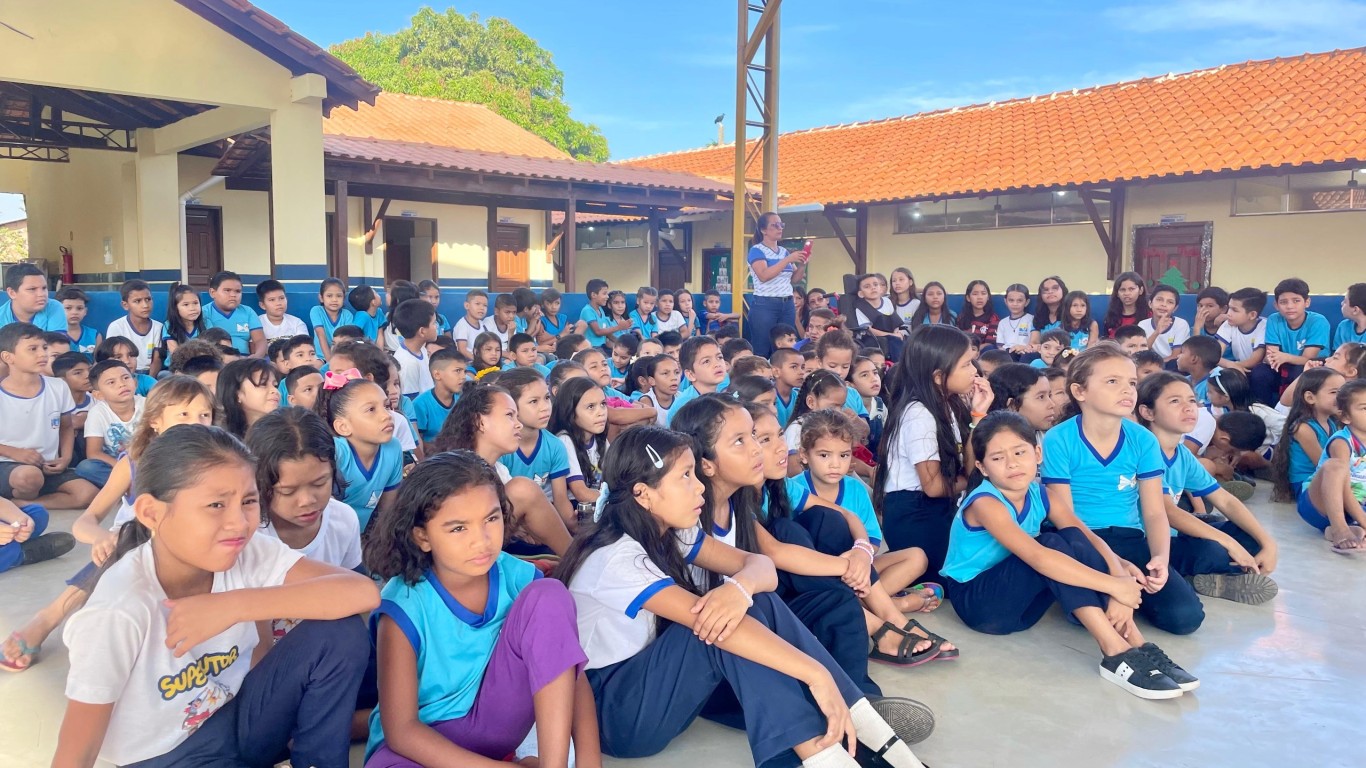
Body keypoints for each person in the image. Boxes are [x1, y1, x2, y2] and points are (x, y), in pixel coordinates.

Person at [557, 425, 933, 768]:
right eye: (685, 477)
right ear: (643, 494)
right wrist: (817, 675)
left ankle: (856, 729)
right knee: (718, 625)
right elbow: (710, 624)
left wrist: (740, 588)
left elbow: (760, 566)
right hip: (617, 712)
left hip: (657, 685)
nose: (700, 486)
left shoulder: (670, 532)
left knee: (750, 605)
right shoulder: (615, 559)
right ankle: (831, 747)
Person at [52, 423, 377, 768]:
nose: (239, 522)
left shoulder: (247, 551)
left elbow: (362, 591)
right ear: (151, 513)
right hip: (169, 756)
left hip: (239, 718)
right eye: (216, 505)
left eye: (249, 501)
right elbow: (78, 747)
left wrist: (233, 606)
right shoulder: (119, 609)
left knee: (338, 632)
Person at [361, 451, 597, 768]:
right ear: (423, 537)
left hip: (496, 724)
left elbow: (567, 670)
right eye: (458, 528)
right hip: (424, 748)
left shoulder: (520, 579)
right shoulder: (403, 603)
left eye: (491, 518)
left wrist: (588, 762)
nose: (481, 541)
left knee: (550, 594)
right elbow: (402, 732)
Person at [942, 412, 1196, 699]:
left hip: (1021, 606)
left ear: (1037, 453)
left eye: (1019, 452)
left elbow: (1085, 537)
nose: (1012, 463)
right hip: (980, 604)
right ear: (983, 467)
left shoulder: (1043, 493)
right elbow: (1038, 558)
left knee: (1071, 537)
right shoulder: (986, 502)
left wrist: (1119, 575)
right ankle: (1114, 649)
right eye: (998, 458)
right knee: (1050, 543)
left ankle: (1135, 641)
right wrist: (1113, 586)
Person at [1, 376, 214, 672]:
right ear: (155, 421)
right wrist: (101, 537)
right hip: (133, 549)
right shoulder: (134, 464)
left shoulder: (219, 463)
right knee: (133, 537)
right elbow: (85, 521)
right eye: (184, 415)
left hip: (195, 549)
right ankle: (47, 618)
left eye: (205, 415)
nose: (197, 424)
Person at [1042, 343, 1205, 636]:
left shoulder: (1143, 440)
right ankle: (1118, 593)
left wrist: (1160, 560)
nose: (1127, 390)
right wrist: (1117, 569)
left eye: (1131, 382)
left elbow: (1155, 512)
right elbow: (1065, 517)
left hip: (1130, 537)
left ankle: (1132, 592)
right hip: (1080, 540)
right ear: (1080, 392)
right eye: (1112, 382)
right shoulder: (1059, 439)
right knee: (1096, 615)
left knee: (1185, 618)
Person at [1136, 373, 1279, 603]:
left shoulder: (1181, 454)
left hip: (1173, 536)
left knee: (1251, 537)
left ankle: (1207, 576)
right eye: (1175, 401)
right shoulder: (1143, 451)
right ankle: (1195, 578)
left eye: (1192, 400)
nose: (1188, 408)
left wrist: (1268, 542)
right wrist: (1228, 543)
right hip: (1149, 543)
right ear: (1147, 412)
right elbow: (1167, 512)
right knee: (1214, 549)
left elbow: (1226, 500)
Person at [875, 326, 991, 577]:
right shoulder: (919, 414)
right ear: (938, 376)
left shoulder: (947, 404)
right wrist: (970, 480)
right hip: (915, 515)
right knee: (962, 577)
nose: (974, 371)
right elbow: (934, 487)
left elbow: (969, 470)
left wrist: (978, 416)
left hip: (936, 509)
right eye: (966, 364)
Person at [0, 322, 98, 509]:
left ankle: (21, 504)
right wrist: (16, 453)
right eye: (32, 349)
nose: (42, 354)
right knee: (29, 477)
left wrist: (65, 458)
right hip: (8, 465)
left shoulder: (57, 386)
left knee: (88, 494)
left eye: (44, 348)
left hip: (47, 466)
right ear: (8, 357)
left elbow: (67, 426)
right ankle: (23, 497)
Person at [317, 373, 401, 532]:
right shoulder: (335, 453)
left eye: (386, 406)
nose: (386, 415)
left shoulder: (393, 447)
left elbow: (387, 511)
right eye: (371, 409)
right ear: (343, 427)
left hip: (360, 537)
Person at [497, 368, 575, 529]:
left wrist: (576, 529)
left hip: (543, 519)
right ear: (511, 406)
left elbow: (560, 500)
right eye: (534, 401)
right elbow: (497, 503)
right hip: (507, 524)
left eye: (547, 398)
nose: (545, 407)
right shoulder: (501, 448)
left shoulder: (555, 446)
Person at [1295, 380, 1366, 551]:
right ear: (1345, 417)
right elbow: (1345, 490)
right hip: (1320, 504)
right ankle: (1340, 528)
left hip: (1357, 505)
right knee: (1335, 466)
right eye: (1364, 408)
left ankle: (1347, 528)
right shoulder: (1342, 442)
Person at [1271, 367, 1343, 502]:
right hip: (1306, 484)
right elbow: (1322, 464)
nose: (1341, 397)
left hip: (1325, 478)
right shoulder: (1303, 428)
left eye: (1342, 391)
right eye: (1334, 392)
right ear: (1310, 397)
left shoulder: (1332, 423)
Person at [747, 212, 809, 357]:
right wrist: (787, 260)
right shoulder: (757, 250)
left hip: (787, 303)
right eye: (775, 225)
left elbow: (795, 279)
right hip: (765, 303)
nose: (779, 228)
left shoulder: (784, 251)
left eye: (781, 225)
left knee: (785, 346)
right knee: (762, 347)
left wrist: (802, 265)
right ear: (763, 230)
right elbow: (763, 275)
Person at [75, 359, 144, 488]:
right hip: (116, 465)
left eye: (125, 378)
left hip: (148, 462)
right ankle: (133, 487)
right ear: (98, 394)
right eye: (111, 382)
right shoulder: (97, 413)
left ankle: (126, 488)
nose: (121, 385)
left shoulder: (149, 405)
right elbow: (93, 453)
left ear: (134, 382)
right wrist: (126, 467)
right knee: (86, 467)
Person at [551, 377, 610, 525]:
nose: (601, 412)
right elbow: (581, 492)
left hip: (598, 504)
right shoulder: (565, 441)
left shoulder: (600, 439)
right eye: (591, 407)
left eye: (603, 404)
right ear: (571, 412)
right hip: (576, 510)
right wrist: (619, 499)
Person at [1262, 277, 1331, 397]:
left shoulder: (1318, 321)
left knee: (1297, 372)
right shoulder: (1274, 319)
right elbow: (1270, 355)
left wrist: (1283, 357)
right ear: (1276, 305)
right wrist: (1271, 359)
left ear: (1307, 302)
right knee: (1260, 372)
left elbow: (1308, 358)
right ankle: (1262, 409)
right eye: (1283, 302)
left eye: (1296, 301)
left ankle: (1296, 412)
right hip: (1283, 364)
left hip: (1313, 367)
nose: (1289, 306)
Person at [105, 278, 163, 376]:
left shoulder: (158, 327)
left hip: (150, 374)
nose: (145, 305)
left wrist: (149, 381)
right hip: (124, 373)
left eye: (148, 299)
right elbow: (112, 359)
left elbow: (156, 360)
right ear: (125, 305)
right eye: (137, 301)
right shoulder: (116, 327)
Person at [202, 270, 266, 358]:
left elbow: (259, 340)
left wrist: (256, 357)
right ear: (213, 293)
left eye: (238, 291)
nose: (233, 295)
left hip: (245, 360)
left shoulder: (247, 311)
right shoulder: (204, 312)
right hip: (216, 360)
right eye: (227, 290)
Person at [987, 363, 1058, 438]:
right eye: (1041, 397)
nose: (1052, 404)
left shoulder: (1053, 438)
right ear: (1012, 406)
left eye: (1049, 395)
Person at [412, 348, 465, 445]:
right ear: (437, 374)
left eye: (464, 371)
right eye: (458, 371)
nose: (463, 376)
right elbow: (418, 442)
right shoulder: (420, 404)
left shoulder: (463, 399)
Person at [218, 358, 280, 439]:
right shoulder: (221, 439)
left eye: (275, 385)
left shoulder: (288, 430)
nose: (274, 390)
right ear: (236, 394)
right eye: (263, 384)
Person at [391, 298, 437, 399]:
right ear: (422, 331)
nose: (436, 327)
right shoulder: (408, 363)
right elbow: (411, 402)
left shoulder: (422, 350)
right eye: (434, 323)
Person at [0, 263, 67, 331]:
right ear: (12, 293)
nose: (41, 294)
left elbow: (58, 341)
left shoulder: (54, 307)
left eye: (44, 288)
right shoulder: (1, 317)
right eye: (32, 289)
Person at [1138, 284, 1190, 362]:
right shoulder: (1142, 325)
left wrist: (1156, 366)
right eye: (1159, 299)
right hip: (1149, 365)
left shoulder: (1181, 324)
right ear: (1150, 304)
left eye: (1170, 302)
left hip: (1172, 366)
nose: (1163, 304)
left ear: (1175, 308)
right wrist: (1157, 332)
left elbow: (1176, 356)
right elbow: (1141, 352)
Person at [634, 353, 683, 427]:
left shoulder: (682, 398)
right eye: (665, 373)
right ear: (652, 380)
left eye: (676, 372)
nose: (674, 378)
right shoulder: (647, 402)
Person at [310, 277, 354, 358]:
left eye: (339, 296)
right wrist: (329, 360)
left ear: (344, 298)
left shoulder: (347, 315)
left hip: (342, 356)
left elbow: (347, 340)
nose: (334, 299)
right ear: (321, 298)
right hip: (321, 357)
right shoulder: (316, 311)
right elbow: (321, 335)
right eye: (329, 296)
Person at [161, 282, 205, 361]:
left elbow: (211, 348)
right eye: (186, 304)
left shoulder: (206, 323)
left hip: (202, 365)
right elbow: (175, 353)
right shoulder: (169, 325)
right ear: (175, 308)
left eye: (195, 303)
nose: (192, 308)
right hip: (177, 367)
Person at [1100, 271, 1151, 338]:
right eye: (1122, 290)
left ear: (1141, 290)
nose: (1127, 293)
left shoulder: (1149, 316)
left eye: (1131, 289)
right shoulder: (1111, 318)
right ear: (1117, 293)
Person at [55, 286, 101, 358]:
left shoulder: (94, 335)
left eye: (79, 308)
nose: (74, 312)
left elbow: (97, 361)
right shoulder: (51, 335)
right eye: (68, 308)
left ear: (85, 311)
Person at [956, 280, 999, 348]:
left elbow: (990, 343)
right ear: (968, 298)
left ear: (988, 297)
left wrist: (975, 350)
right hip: (963, 352)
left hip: (982, 353)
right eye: (975, 294)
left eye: (983, 293)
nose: (980, 297)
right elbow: (957, 340)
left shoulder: (993, 318)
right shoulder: (961, 317)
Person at [1027, 276, 1068, 348]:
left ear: (1063, 291)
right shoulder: (1039, 317)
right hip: (1043, 353)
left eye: (1055, 288)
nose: (1050, 292)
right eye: (1046, 290)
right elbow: (1034, 343)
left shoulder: (1071, 314)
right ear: (1041, 295)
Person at [995, 283, 1034, 357]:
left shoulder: (1032, 320)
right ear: (1005, 301)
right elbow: (1000, 345)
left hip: (1025, 353)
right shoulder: (1003, 322)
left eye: (1019, 301)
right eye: (1011, 300)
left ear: (1026, 302)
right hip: (1007, 353)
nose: (1015, 304)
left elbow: (1034, 343)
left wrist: (1024, 348)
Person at [452, 289, 490, 357]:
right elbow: (462, 350)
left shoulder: (483, 325)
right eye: (477, 304)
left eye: (485, 305)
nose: (482, 308)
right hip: (468, 362)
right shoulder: (462, 325)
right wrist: (478, 361)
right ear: (467, 305)